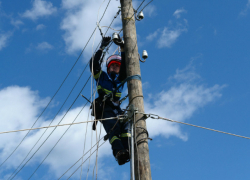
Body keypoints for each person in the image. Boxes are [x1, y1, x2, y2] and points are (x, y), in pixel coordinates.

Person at [89, 36, 131, 165]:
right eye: (112, 66)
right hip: (105, 108)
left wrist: (123, 48)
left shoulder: (120, 80)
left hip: (117, 109)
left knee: (126, 129)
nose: (115, 68)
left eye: (117, 66)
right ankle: (119, 152)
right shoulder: (101, 77)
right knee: (113, 129)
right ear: (108, 68)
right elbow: (93, 64)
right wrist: (102, 47)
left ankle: (128, 151)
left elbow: (125, 68)